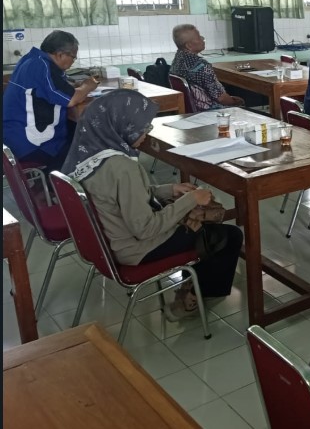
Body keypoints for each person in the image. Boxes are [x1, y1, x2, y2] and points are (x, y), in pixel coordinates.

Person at [61, 89, 243, 319]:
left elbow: (118, 196)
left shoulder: (90, 154)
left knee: (196, 220)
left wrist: (170, 189)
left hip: (108, 242)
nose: (146, 133)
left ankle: (196, 285)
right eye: (141, 126)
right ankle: (194, 298)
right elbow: (146, 229)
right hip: (136, 247)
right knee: (226, 235)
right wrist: (191, 200)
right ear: (120, 124)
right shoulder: (122, 167)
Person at [3, 30, 98, 171]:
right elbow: (71, 100)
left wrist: (75, 88)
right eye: (73, 57)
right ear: (60, 55)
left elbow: (46, 89)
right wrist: (88, 86)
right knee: (86, 149)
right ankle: (57, 185)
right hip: (29, 143)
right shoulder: (42, 67)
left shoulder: (31, 59)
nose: (73, 61)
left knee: (75, 134)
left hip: (12, 134)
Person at [170, 24, 244, 111]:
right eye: (199, 37)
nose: (202, 39)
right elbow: (221, 98)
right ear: (189, 45)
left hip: (190, 111)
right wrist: (235, 102)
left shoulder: (176, 61)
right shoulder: (201, 66)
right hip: (210, 112)